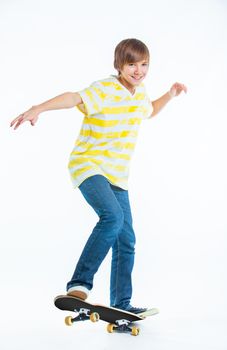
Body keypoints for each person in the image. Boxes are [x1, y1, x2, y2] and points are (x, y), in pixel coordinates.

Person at [10, 38, 187, 314]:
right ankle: (79, 285)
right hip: (88, 165)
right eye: (132, 65)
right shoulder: (104, 88)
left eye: (144, 65)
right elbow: (73, 97)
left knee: (126, 239)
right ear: (119, 65)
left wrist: (170, 95)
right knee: (113, 217)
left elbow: (149, 110)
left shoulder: (139, 94)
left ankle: (122, 305)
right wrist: (38, 108)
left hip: (117, 176)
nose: (138, 71)